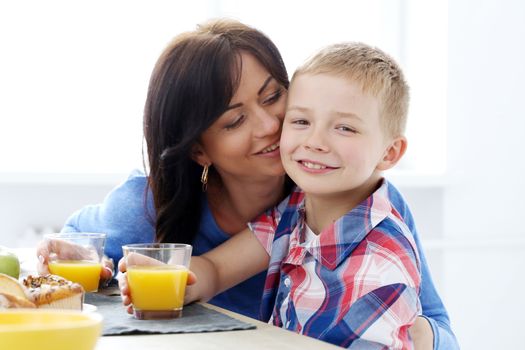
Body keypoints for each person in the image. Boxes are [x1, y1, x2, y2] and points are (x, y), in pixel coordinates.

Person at [36, 19, 458, 349]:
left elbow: (439, 330)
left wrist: (410, 331)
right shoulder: (154, 206)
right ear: (200, 151)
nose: (271, 125)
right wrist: (94, 259)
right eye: (235, 120)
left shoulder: (367, 206)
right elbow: (92, 247)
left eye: (275, 97)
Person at [146, 41, 418, 348]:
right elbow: (216, 269)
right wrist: (173, 278)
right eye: (301, 121)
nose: (315, 141)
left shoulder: (381, 263)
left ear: (389, 152)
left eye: (344, 128)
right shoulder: (293, 213)